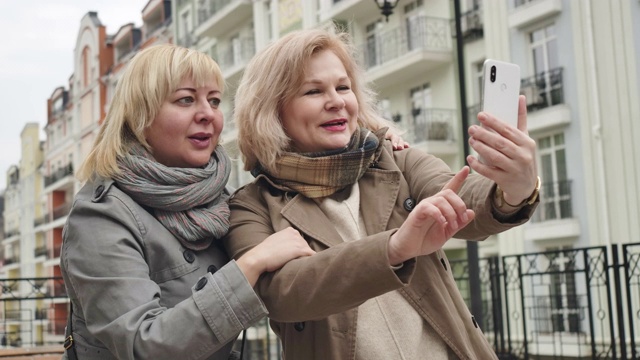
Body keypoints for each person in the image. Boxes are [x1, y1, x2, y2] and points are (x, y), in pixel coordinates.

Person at [224, 27, 540, 360]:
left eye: (343, 87)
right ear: (273, 110)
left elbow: (465, 198)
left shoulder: (395, 159)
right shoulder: (250, 206)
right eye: (313, 91)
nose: (337, 102)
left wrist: (515, 189)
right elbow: (283, 293)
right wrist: (393, 249)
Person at [58, 44, 318, 360]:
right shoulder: (100, 216)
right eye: (185, 99)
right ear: (140, 115)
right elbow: (145, 346)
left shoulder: (217, 198)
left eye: (214, 100)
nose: (208, 113)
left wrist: (374, 151)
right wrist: (249, 266)